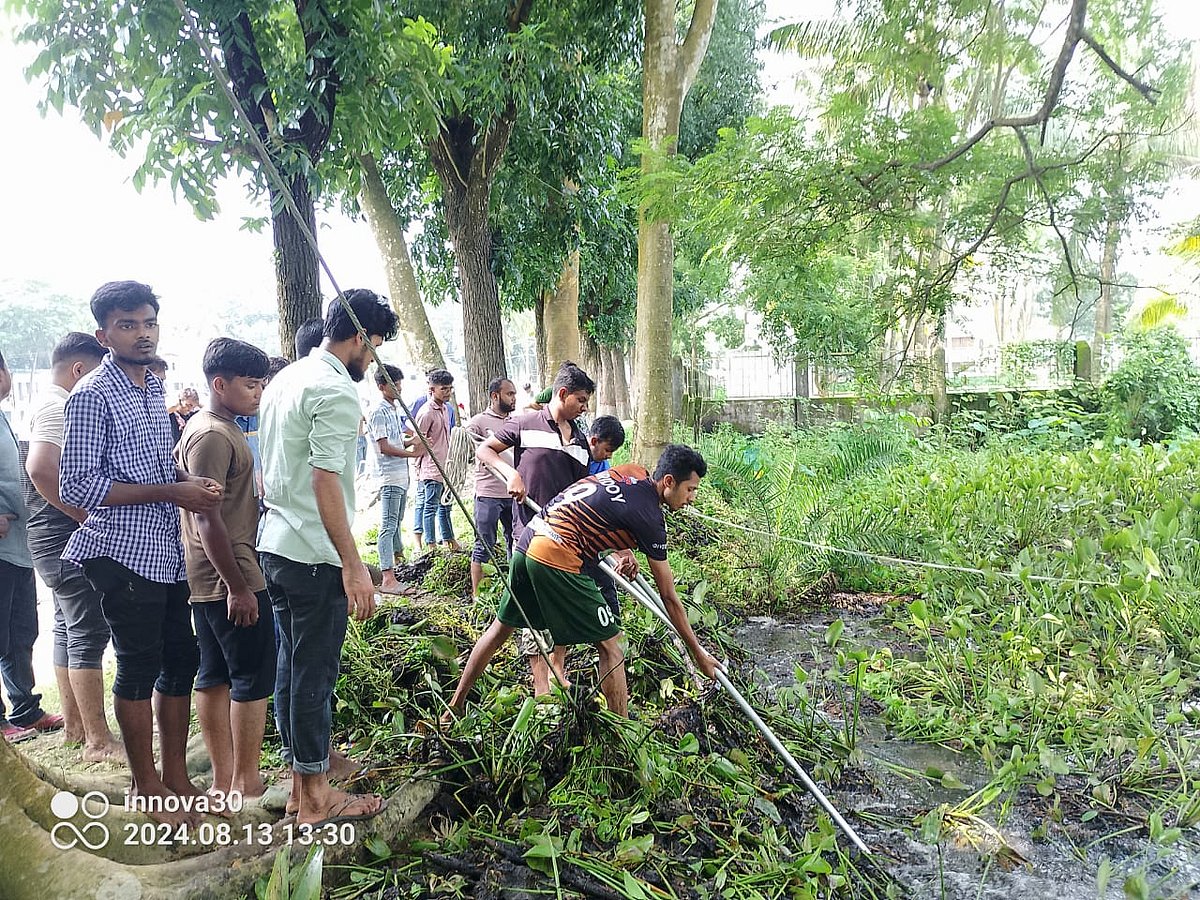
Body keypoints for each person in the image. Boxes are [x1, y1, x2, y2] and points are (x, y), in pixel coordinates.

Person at [60, 281, 224, 825]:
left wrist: (185, 481)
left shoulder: (154, 385)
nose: (142, 333)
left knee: (180, 659)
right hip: (120, 551)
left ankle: (175, 776)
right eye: (127, 325)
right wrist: (171, 492)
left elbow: (153, 462)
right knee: (137, 665)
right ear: (104, 335)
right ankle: (145, 785)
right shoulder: (92, 394)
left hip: (164, 549)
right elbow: (79, 485)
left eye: (148, 322)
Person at [445, 445, 721, 719]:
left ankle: (453, 709)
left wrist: (623, 550)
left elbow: (603, 509)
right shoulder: (650, 518)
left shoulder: (631, 472)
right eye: (690, 489)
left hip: (530, 539)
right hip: (555, 553)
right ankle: (623, 732)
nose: (692, 498)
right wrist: (699, 655)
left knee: (500, 629)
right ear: (669, 481)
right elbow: (669, 597)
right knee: (611, 646)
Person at [258, 288, 394, 827]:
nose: (373, 359)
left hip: (277, 545)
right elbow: (324, 481)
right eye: (374, 345)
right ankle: (316, 800)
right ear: (359, 337)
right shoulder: (336, 390)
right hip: (314, 555)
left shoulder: (286, 378)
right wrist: (354, 565)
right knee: (314, 674)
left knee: (292, 669)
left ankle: (302, 782)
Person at [476, 362, 638, 694]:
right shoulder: (525, 423)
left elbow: (586, 502)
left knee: (555, 607)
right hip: (528, 536)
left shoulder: (580, 443)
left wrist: (622, 549)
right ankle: (541, 686)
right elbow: (485, 450)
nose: (584, 408)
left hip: (563, 543)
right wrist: (511, 474)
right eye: (581, 400)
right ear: (563, 394)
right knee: (527, 616)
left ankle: (557, 669)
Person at [177, 338, 276, 801]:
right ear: (220, 384)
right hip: (229, 570)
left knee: (215, 672)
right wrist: (238, 586)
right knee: (249, 675)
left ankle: (225, 780)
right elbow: (206, 516)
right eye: (250, 385)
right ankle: (244, 780)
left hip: (213, 571)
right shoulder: (213, 435)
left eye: (261, 384)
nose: (258, 393)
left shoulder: (215, 426)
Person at [23, 332, 122, 760]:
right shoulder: (59, 405)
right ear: (80, 369)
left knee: (68, 628)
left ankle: (77, 729)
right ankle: (99, 741)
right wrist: (84, 515)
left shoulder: (44, 402)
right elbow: (40, 469)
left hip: (47, 536)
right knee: (88, 631)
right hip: (63, 535)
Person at [1, 348, 65, 743]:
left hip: (18, 546)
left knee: (21, 632)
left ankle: (25, 707)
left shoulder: (4, 417)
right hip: (3, 546)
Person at [367, 364, 419, 594]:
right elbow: (384, 447)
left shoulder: (392, 409)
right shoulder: (378, 411)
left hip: (400, 475)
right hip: (388, 476)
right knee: (388, 525)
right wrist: (412, 454)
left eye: (399, 384)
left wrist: (412, 442)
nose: (399, 389)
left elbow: (395, 441)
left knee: (397, 521)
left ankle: (399, 560)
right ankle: (387, 577)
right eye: (394, 385)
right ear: (381, 386)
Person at [466, 377, 517, 596]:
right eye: (509, 394)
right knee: (484, 544)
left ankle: (514, 589)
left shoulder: (516, 422)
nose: (513, 398)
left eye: (514, 394)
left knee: (515, 540)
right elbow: (468, 447)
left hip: (513, 493)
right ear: (495, 396)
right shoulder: (478, 422)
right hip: (488, 494)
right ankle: (478, 597)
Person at [410, 369, 460, 553]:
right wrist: (418, 467)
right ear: (432, 389)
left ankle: (449, 539)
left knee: (445, 505)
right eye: (443, 389)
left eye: (449, 388)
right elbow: (418, 441)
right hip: (431, 467)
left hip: (446, 465)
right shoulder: (426, 412)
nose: (447, 392)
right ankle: (431, 545)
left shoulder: (446, 409)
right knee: (430, 507)